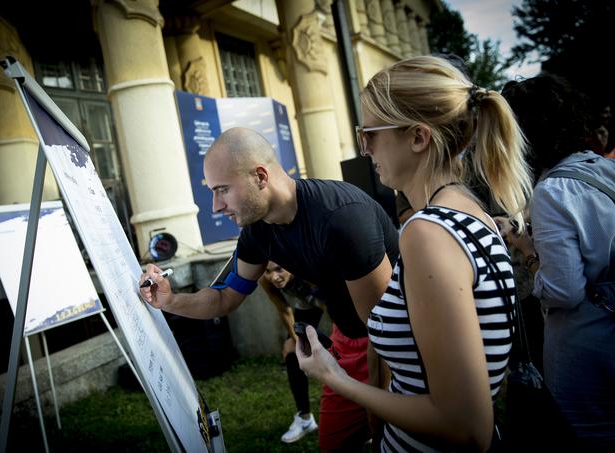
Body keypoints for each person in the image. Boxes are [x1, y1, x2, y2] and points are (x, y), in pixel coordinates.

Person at [295, 55, 533, 451]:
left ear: (418, 137)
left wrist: (336, 377)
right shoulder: (470, 211)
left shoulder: (428, 233)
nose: (364, 148)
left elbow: (464, 426)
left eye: (369, 133)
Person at [140, 127, 400, 451]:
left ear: (260, 177)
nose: (215, 207)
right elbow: (224, 296)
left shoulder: (341, 219)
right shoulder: (257, 231)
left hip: (397, 344)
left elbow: (387, 333)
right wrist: (170, 299)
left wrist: (381, 420)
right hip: (348, 338)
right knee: (334, 444)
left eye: (222, 190)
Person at [499, 74, 615, 449]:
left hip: (587, 349)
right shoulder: (601, 168)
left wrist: (528, 252)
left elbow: (564, 291)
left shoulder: (551, 191)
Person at [259, 261, 324, 443]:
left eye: (279, 269)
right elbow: (285, 310)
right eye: (267, 271)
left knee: (346, 349)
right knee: (291, 351)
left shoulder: (306, 269)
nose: (273, 277)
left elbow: (330, 305)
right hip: (306, 303)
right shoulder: (265, 280)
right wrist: (298, 344)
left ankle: (364, 415)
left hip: (331, 297)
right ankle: (305, 419)